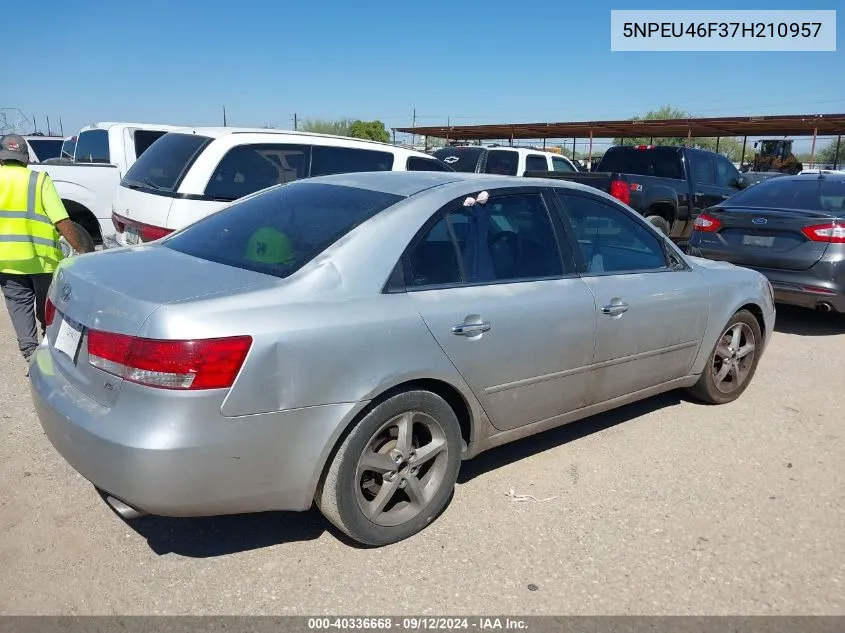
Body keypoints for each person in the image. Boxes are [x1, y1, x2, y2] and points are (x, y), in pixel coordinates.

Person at [0, 134, 91, 363]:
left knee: (18, 308)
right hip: (42, 261)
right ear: (26, 159)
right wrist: (82, 251)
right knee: (47, 307)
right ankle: (47, 347)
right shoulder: (39, 181)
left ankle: (30, 356)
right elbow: (62, 221)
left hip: (7, 262)